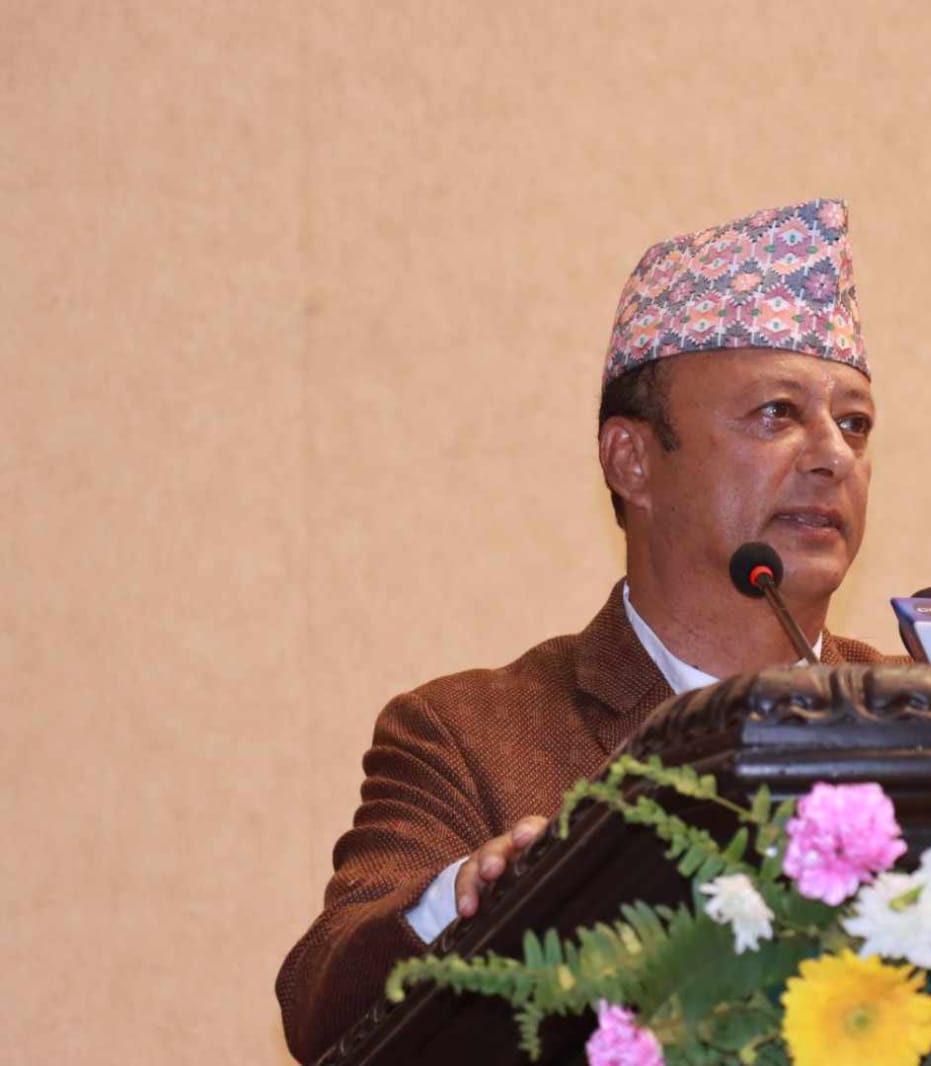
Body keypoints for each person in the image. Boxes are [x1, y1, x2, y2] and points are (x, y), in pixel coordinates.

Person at [276, 199, 893, 1062]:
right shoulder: (469, 735)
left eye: (854, 423)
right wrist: (471, 900)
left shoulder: (927, 721)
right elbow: (322, 1003)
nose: (832, 455)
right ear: (631, 460)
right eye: (776, 414)